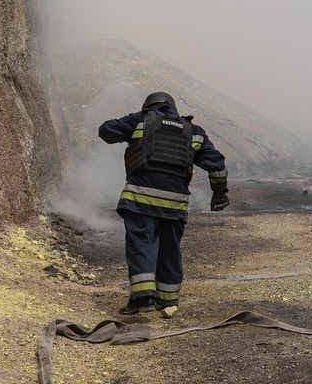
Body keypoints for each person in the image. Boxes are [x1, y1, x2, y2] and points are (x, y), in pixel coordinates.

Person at [98, 91, 229, 315]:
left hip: (140, 199)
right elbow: (216, 164)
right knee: (170, 250)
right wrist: (219, 195)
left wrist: (140, 117)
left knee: (142, 244)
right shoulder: (194, 132)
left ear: (149, 106)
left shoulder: (140, 120)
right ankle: (168, 301)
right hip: (175, 203)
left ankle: (143, 298)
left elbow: (105, 130)